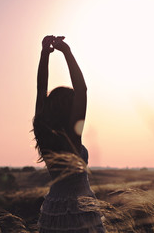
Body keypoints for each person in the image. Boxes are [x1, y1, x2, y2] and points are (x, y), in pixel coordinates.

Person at [33, 35, 105, 233]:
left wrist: (44, 54)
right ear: (69, 109)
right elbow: (82, 89)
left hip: (53, 207)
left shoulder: (44, 132)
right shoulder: (72, 138)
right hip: (79, 209)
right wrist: (67, 52)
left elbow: (41, 90)